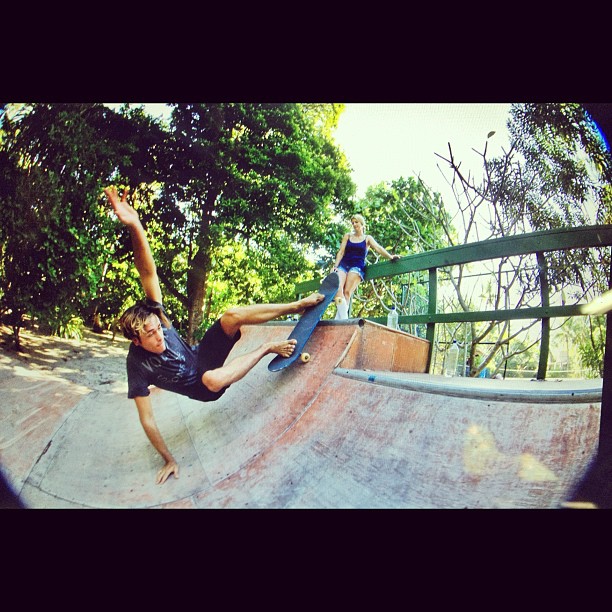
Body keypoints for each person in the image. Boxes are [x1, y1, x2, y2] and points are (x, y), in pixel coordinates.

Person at [103, 186, 325, 485]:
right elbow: (147, 420)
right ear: (136, 341)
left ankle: (295, 305)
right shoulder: (138, 367)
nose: (160, 337)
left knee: (231, 315)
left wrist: (135, 225)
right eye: (151, 336)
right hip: (205, 387)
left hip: (202, 355)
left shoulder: (157, 318)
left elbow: (147, 272)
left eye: (159, 329)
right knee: (211, 379)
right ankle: (266, 349)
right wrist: (169, 459)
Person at [332, 214, 399, 319]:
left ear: (362, 223)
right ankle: (344, 320)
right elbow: (341, 252)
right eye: (353, 223)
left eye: (356, 222)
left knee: (347, 292)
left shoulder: (367, 238)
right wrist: (335, 266)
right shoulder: (347, 236)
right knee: (337, 288)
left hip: (356, 266)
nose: (354, 225)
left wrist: (390, 256)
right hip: (343, 264)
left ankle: (338, 322)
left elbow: (378, 248)